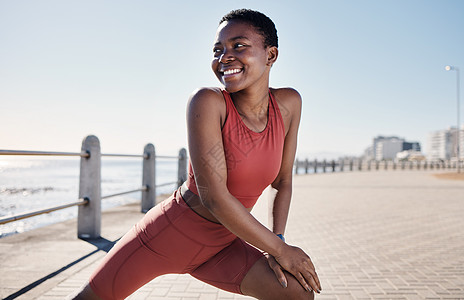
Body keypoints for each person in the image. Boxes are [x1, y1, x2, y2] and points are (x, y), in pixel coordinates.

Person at [70, 8, 321, 300]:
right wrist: (279, 250)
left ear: (271, 55)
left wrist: (278, 241)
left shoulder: (289, 104)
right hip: (168, 237)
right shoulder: (208, 101)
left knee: (296, 293)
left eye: (238, 45)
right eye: (218, 49)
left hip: (223, 246)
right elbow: (213, 197)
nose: (224, 57)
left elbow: (282, 181)